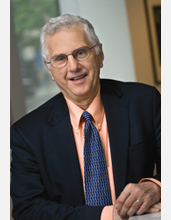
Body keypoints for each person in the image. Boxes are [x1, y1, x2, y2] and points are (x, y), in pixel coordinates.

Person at [10, 14, 161, 220]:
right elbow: (27, 210)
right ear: (50, 69)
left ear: (100, 55)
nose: (73, 67)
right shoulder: (27, 134)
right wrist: (109, 215)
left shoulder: (145, 101)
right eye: (60, 58)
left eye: (80, 52)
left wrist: (156, 187)